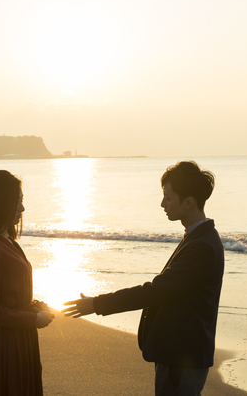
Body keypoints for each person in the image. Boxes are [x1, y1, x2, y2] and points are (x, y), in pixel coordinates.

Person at [63, 161, 224, 396]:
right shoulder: (199, 237)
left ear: (188, 202)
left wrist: (97, 304)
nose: (162, 204)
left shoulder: (201, 245)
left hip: (182, 359)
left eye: (168, 197)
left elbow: (155, 291)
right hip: (181, 356)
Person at [0, 170, 54, 396]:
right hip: (4, 346)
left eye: (22, 200)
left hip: (21, 339)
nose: (22, 208)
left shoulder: (6, 241)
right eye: (17, 201)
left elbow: (10, 294)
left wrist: (34, 306)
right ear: (0, 203)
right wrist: (33, 318)